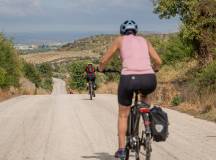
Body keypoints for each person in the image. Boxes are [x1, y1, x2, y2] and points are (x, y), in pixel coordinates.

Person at [98, 20, 162, 159]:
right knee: (145, 100)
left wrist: (100, 68)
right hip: (149, 79)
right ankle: (147, 121)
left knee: (123, 115)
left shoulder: (119, 40)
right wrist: (154, 69)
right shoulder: (145, 41)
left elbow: (104, 60)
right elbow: (158, 61)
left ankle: (121, 150)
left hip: (129, 79)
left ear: (123, 31)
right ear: (136, 31)